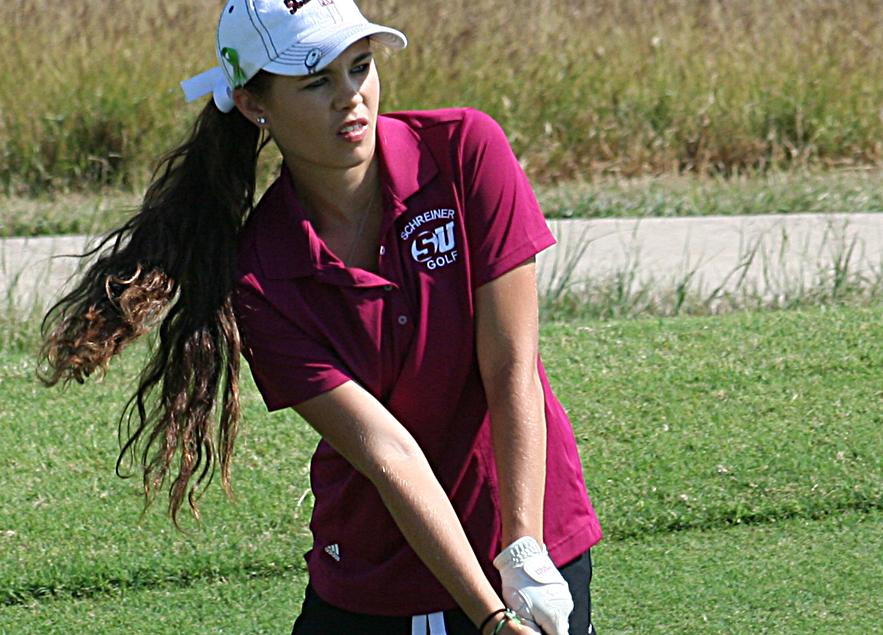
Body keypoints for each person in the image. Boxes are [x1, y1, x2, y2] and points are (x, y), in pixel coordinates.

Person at [38, 1, 602, 633]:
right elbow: (387, 450)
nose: (351, 97)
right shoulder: (259, 274)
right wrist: (491, 620)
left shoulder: (466, 149)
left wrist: (522, 550)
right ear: (255, 105)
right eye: (315, 80)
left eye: (360, 67)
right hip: (378, 576)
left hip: (530, 545)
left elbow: (510, 367)